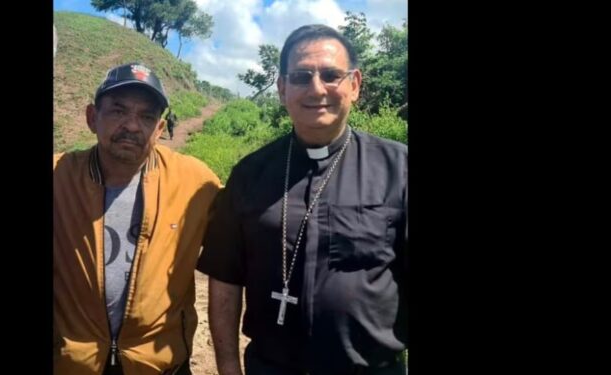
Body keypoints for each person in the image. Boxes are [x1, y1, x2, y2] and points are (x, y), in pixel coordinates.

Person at [197, 24, 407, 375]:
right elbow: (225, 277)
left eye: (330, 75)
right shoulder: (249, 175)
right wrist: (229, 367)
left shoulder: (398, 169)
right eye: (300, 76)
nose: (316, 88)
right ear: (281, 89)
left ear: (354, 85)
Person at [54, 62, 221, 375]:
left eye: (146, 116)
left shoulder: (196, 183)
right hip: (72, 363)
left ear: (159, 129)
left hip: (159, 364)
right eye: (118, 111)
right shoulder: (58, 176)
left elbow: (243, 240)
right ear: (92, 117)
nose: (132, 125)